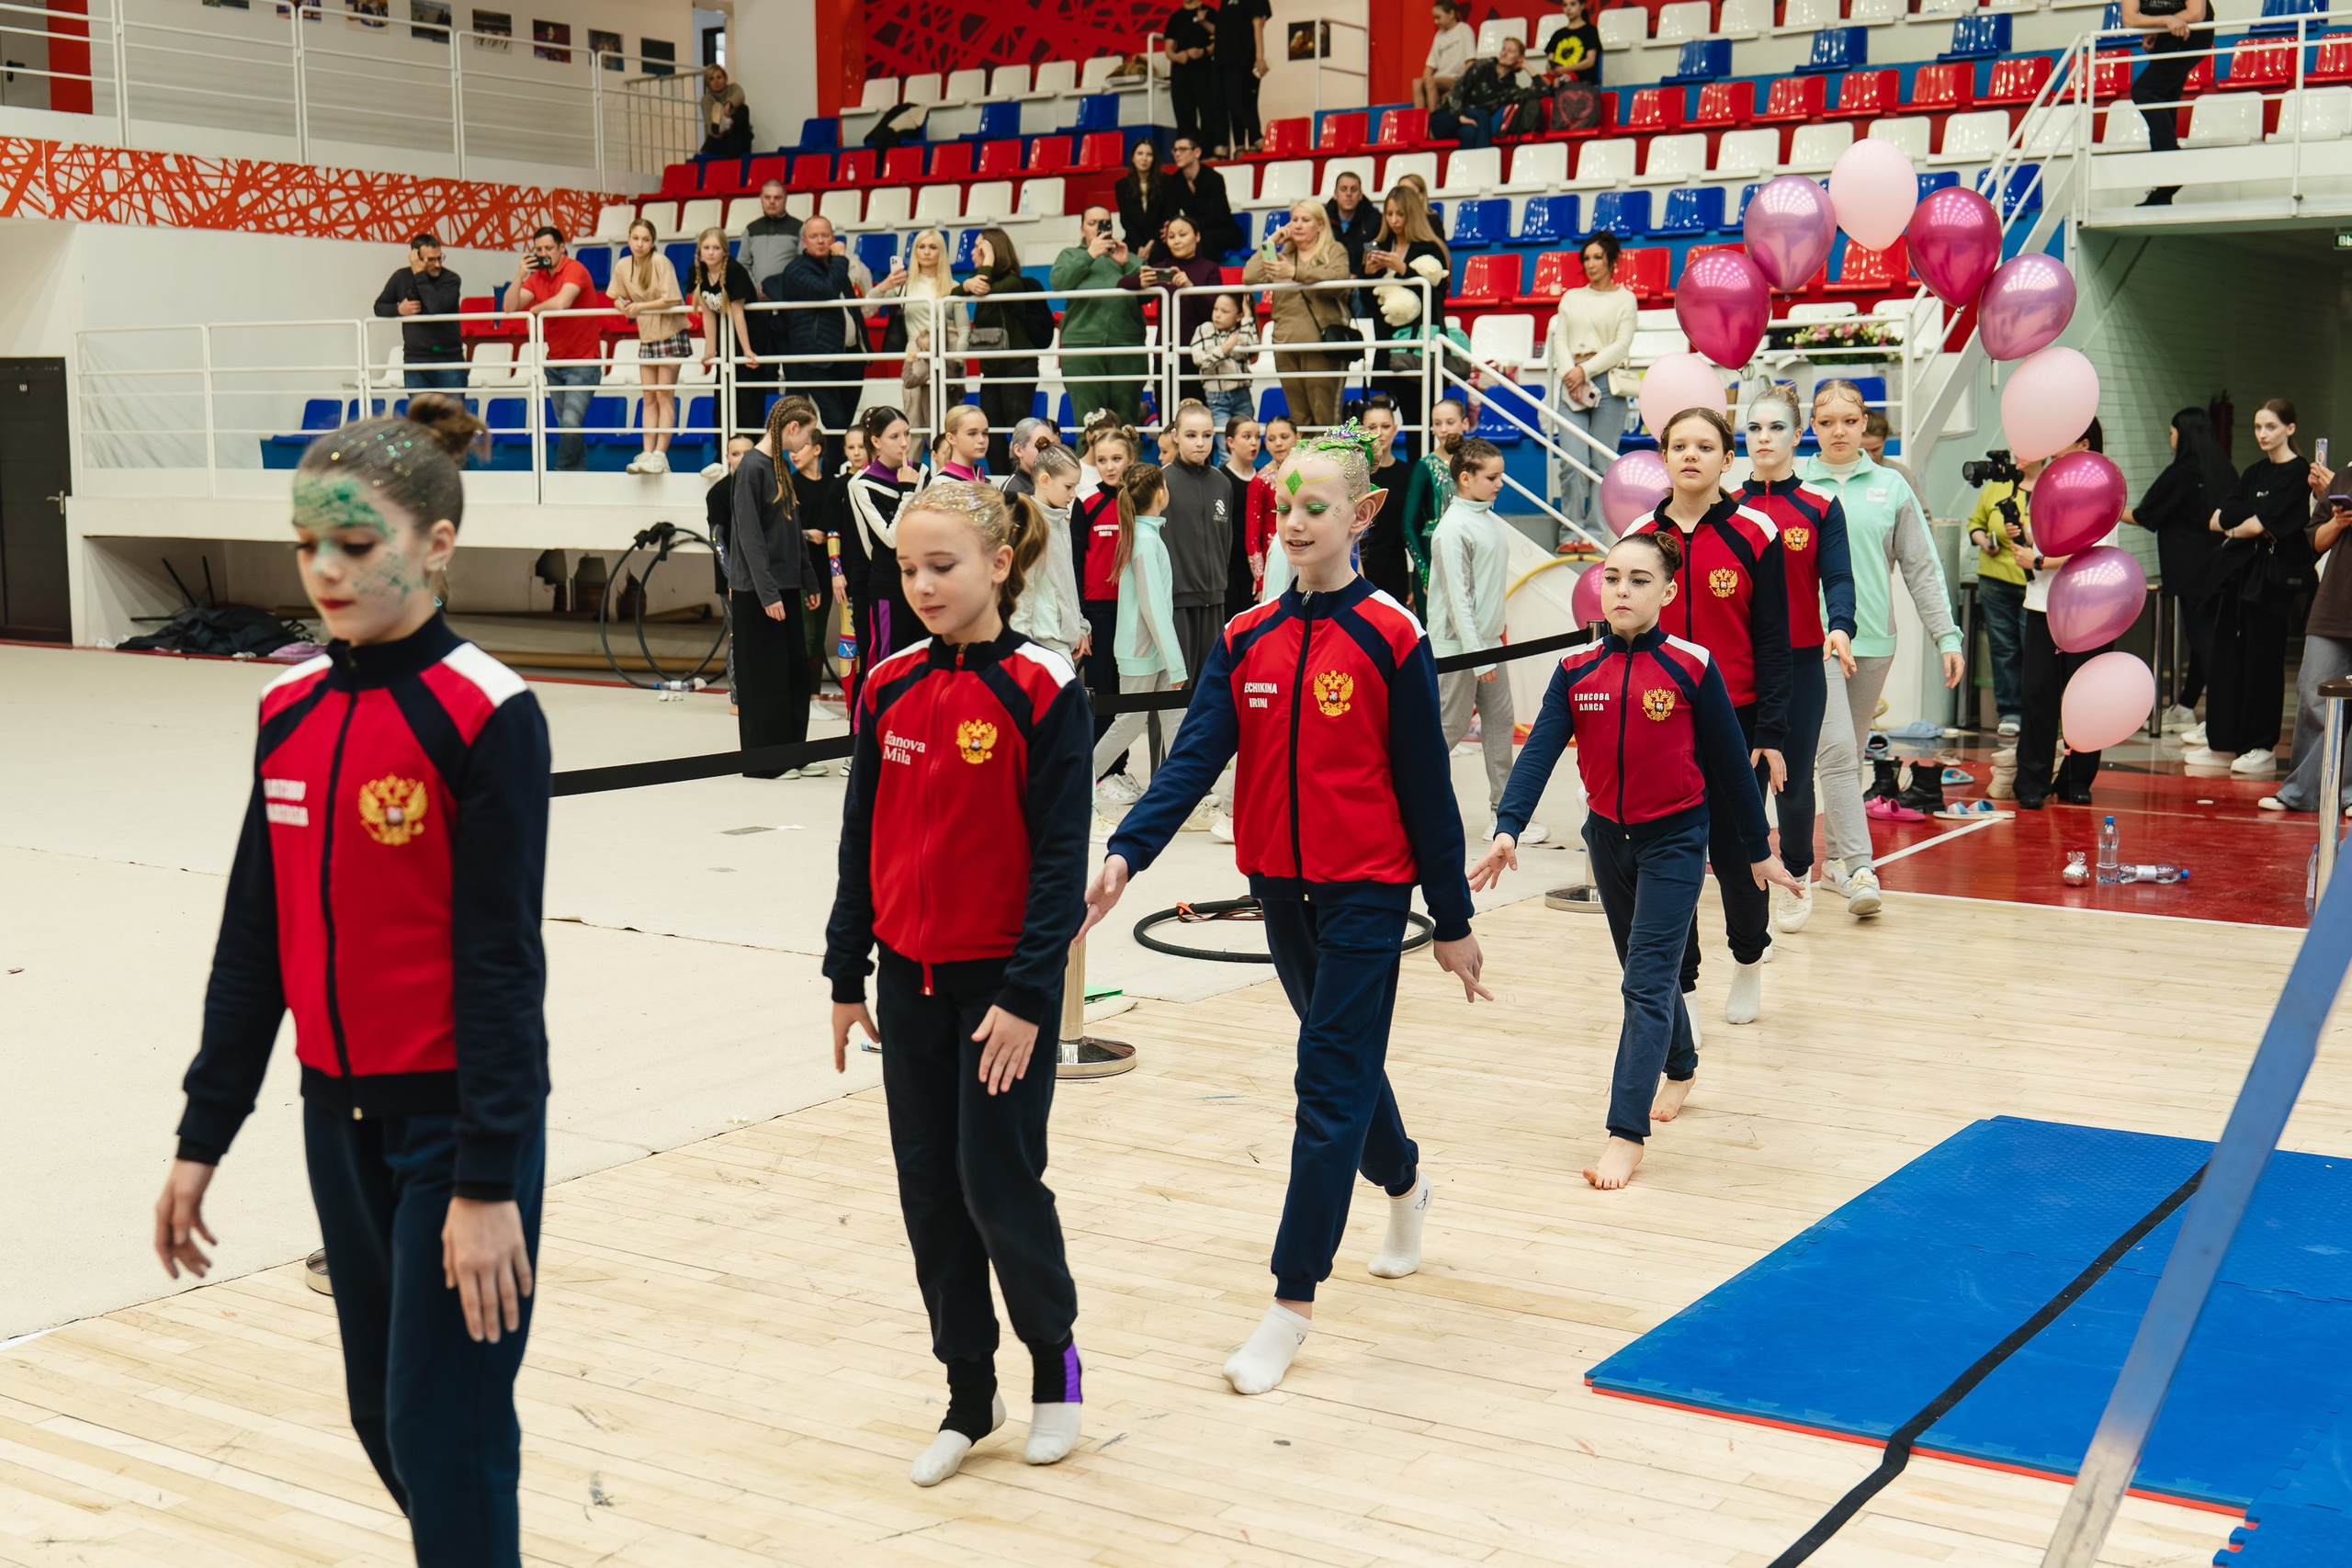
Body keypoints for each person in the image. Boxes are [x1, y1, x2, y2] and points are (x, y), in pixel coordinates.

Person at [154, 395, 551, 1564]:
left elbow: (500, 963)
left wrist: (486, 1180)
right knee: (386, 1417)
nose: (324, 569)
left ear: (437, 544)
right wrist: (203, 1133)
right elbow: (255, 940)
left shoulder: (488, 712)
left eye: (356, 542)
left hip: (456, 1129)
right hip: (339, 1121)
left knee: (447, 1431)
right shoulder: (288, 708)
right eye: (306, 544)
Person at [1082, 423, 1489, 1397]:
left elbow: (1427, 789)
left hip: (1368, 889)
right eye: (1285, 506)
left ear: (1362, 513)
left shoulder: (1392, 634)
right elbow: (1194, 756)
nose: (1297, 523)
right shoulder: (1246, 636)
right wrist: (1128, 849)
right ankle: (1405, 1181)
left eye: (1317, 507)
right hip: (1278, 887)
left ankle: (1290, 1302)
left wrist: (1452, 919)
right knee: (1341, 1059)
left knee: (1324, 1078)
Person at [821, 479, 1091, 1489]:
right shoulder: (887, 684)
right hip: (909, 985)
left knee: (997, 1185)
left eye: (943, 566)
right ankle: (968, 1394)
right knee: (930, 1192)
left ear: (1000, 565)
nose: (924, 586)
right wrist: (845, 970)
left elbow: (1059, 860)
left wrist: (1025, 996)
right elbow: (862, 834)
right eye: (908, 569)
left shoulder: (1043, 685)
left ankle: (1055, 1369)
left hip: (1001, 992)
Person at [1471, 530, 1797, 1190]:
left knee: (1644, 983)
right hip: (1606, 839)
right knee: (1647, 970)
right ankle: (1682, 1064)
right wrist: (1509, 827)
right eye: (1613, 577)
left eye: (1640, 579)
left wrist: (1757, 850)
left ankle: (1625, 1133)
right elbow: (1539, 753)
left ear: (1669, 592)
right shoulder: (1575, 670)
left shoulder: (1692, 666)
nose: (1622, 589)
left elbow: (1732, 768)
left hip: (1675, 839)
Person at [1628, 406, 1788, 1023]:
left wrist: (1771, 730)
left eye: (1704, 446)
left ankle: (1748, 960)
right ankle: (1686, 987)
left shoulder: (1756, 532)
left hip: (1738, 725)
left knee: (1740, 853)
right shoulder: (1642, 535)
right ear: (1664, 457)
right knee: (1672, 860)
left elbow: (1773, 638)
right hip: (1661, 721)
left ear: (1727, 459)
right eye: (1679, 446)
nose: (1690, 455)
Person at [1802, 378, 1965, 916]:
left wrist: (1946, 634)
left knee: (1845, 752)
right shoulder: (1797, 484)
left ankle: (1832, 864)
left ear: (1866, 424)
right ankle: (1859, 867)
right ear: (1812, 427)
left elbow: (1921, 567)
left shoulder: (1892, 487)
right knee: (1837, 752)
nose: (1840, 431)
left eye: (1850, 421)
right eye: (1827, 422)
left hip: (1875, 641)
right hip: (1813, 641)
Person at [1736, 389, 1856, 932]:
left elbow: (1839, 577)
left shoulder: (1820, 506)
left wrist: (1841, 626)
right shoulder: (1726, 507)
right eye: (1754, 428)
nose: (1764, 438)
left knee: (1794, 779)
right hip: (1739, 665)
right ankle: (1746, 876)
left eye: (1776, 427)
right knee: (1743, 778)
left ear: (1798, 434)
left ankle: (1799, 874)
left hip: (1802, 664)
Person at [2186, 397, 2312, 773]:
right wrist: (2241, 523)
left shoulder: (2298, 472)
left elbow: (2258, 524)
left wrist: (2243, 522)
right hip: (2239, 578)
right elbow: (2218, 517)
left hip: (2271, 582)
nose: (2262, 434)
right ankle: (2223, 742)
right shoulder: (2255, 472)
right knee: (2227, 657)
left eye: (2270, 426)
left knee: (2262, 662)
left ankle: (2260, 745)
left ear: (2289, 428)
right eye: (2258, 427)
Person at [1428, 434, 1540, 844]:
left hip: (1487, 645)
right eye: (1492, 477)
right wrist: (1479, 658)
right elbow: (1459, 601)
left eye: (1500, 476)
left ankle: (1503, 815)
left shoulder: (1486, 521)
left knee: (1499, 726)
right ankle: (1404, 806)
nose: (1499, 484)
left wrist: (1489, 650)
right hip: (1458, 651)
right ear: (1465, 478)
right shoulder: (1452, 529)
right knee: (1447, 730)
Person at [2012, 423, 2119, 808]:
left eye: (2064, 437)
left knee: (2085, 697)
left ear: (2084, 443)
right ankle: (2031, 781)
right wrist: (2024, 538)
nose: (2052, 445)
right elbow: (2045, 535)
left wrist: (2039, 560)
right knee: (2037, 693)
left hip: (2090, 608)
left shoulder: (2103, 483)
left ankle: (2076, 779)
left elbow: (2092, 546)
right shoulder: (2047, 481)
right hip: (2043, 603)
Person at [729, 395, 825, 777]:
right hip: (758, 592)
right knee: (765, 679)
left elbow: (791, 527)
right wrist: (767, 593)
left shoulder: (780, 466)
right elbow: (749, 536)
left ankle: (792, 753)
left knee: (793, 675)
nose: (806, 443)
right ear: (791, 428)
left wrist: (808, 578)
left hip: (786, 585)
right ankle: (766, 763)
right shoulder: (751, 468)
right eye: (806, 434)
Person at [2124, 407, 2233, 729]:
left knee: (2203, 638)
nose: (2169, 438)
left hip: (2191, 571)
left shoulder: (2182, 472)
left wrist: (2108, 509)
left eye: (2172, 433)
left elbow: (2146, 515)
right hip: (2223, 567)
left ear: (2182, 435)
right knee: (2206, 638)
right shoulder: (2225, 469)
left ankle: (2220, 720)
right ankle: (2186, 706)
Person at [1090, 463, 1190, 807]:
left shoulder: (1147, 536)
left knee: (1175, 719)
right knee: (1129, 723)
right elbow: (1153, 607)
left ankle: (1183, 794)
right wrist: (1176, 664)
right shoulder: (1145, 541)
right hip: (1141, 651)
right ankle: (1075, 781)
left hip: (1154, 651)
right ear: (1160, 493)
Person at [2264, 464, 2352, 815]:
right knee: (2312, 692)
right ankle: (2301, 791)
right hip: (2334, 603)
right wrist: (2338, 522)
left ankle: (2349, 793)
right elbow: (2316, 540)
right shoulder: (2345, 476)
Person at [1545, 232, 1636, 539]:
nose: (1591, 263)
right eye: (1587, 258)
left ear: (1612, 260)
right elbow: (1560, 340)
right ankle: (1571, 533)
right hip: (1571, 381)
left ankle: (1596, 535)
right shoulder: (1572, 297)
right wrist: (1571, 374)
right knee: (1572, 462)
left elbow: (1621, 346)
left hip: (1608, 383)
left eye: (1598, 257)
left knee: (1602, 464)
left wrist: (1583, 371)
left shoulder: (1625, 298)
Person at [1243, 200, 1351, 433]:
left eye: (1305, 220)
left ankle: (1330, 458)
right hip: (1285, 344)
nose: (1298, 225)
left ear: (1320, 225)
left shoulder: (1334, 251)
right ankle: (1306, 458)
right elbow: (1250, 276)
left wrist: (1295, 273)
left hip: (1322, 345)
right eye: (1294, 220)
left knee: (1325, 417)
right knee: (1299, 418)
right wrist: (1271, 242)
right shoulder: (1283, 255)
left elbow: (1339, 280)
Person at [954, 229, 1056, 473]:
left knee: (1017, 428)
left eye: (979, 247)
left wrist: (987, 264)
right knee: (991, 430)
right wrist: (967, 283)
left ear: (994, 250)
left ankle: (1022, 479)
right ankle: (1001, 480)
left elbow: (986, 289)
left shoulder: (1012, 283)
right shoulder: (983, 281)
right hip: (992, 369)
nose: (972, 252)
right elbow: (952, 295)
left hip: (1018, 365)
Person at [1363, 184, 1449, 455]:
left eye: (1400, 214)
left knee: (1418, 421)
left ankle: (1421, 476)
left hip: (1415, 347)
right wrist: (1368, 274)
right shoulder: (1381, 246)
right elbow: (1369, 304)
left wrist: (1402, 269)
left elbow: (1436, 296)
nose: (1394, 220)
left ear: (1412, 214)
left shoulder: (1430, 247)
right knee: (1378, 422)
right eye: (1389, 214)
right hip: (1386, 345)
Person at [1159, 400, 1237, 683]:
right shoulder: (1161, 482)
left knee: (1210, 686)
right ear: (1176, 436)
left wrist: (1218, 584)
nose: (1200, 443)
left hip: (1214, 600)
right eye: (1191, 435)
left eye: (1207, 435)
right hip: (1176, 602)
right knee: (1177, 690)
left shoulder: (1222, 483)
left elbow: (1225, 541)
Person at [846, 405, 928, 671]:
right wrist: (907, 491)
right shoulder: (861, 484)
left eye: (907, 433)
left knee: (924, 658)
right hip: (888, 581)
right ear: (876, 441)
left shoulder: (922, 472)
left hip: (923, 578)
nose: (904, 443)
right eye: (894, 436)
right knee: (889, 661)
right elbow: (890, 539)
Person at [510, 226, 596, 471]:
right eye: (538, 249)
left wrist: (535, 310)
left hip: (583, 361)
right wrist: (519, 276)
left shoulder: (575, 269)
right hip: (555, 362)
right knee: (568, 426)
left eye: (548, 248)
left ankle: (560, 472)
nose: (543, 253)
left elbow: (562, 302)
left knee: (570, 423)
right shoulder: (537, 277)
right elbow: (510, 306)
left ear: (561, 248)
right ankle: (577, 476)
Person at [1051, 209, 1148, 428]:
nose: (1099, 227)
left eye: (1105, 223)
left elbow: (1150, 284)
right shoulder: (1070, 255)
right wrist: (1089, 255)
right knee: (1088, 422)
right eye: (1092, 222)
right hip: (1081, 347)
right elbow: (1058, 282)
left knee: (1127, 424)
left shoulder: (1128, 256)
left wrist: (1126, 263)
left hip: (1128, 346)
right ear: (1082, 228)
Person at [608, 217, 689, 475]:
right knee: (649, 396)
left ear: (653, 241)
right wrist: (624, 306)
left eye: (645, 239)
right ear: (629, 239)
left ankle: (660, 454)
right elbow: (614, 296)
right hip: (647, 335)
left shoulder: (660, 262)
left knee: (665, 394)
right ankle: (647, 452)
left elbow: (672, 298)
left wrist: (639, 307)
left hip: (670, 332)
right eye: (635, 238)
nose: (639, 244)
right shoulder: (623, 265)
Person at [870, 228, 967, 441]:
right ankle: (910, 462)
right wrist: (885, 285)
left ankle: (946, 462)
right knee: (912, 418)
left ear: (941, 252)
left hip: (946, 355)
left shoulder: (954, 286)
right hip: (915, 354)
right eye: (921, 247)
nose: (926, 252)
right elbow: (867, 309)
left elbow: (964, 329)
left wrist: (957, 359)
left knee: (947, 418)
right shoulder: (903, 285)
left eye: (933, 247)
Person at [777, 216, 867, 442]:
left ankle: (836, 463)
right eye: (814, 236)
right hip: (817, 358)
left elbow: (850, 303)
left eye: (825, 235)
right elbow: (826, 291)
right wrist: (840, 259)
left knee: (845, 424)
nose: (820, 241)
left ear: (833, 238)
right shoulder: (797, 269)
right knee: (835, 420)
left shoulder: (834, 266)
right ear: (804, 241)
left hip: (850, 354)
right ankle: (829, 464)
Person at [1966, 452, 2032, 738]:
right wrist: (1985, 541)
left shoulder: (2050, 485)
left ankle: (2037, 711)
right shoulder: (1998, 484)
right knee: (2003, 648)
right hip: (1995, 578)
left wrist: (2026, 535)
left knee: (2033, 648)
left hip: (2034, 580)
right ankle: (2010, 712)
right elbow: (1975, 524)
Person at [2122, 0, 2211, 206]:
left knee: (2145, 91)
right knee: (2162, 102)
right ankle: (2163, 191)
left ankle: (2173, 163)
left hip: (2193, 35)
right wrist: (2165, 23)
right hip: (2165, 34)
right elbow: (2129, 19)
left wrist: (2161, 24)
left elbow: (2196, 14)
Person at [1133, 213, 1225, 409]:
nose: (1177, 241)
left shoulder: (1210, 268)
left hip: (1200, 356)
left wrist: (1191, 288)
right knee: (1167, 418)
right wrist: (1139, 281)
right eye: (1171, 236)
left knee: (1198, 416)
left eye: (1183, 235)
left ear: (1197, 236)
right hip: (1164, 355)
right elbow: (1124, 287)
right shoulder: (1160, 269)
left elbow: (1215, 310)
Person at [1012, 444, 1089, 663]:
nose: (1073, 494)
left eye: (1075, 487)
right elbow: (1022, 591)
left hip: (1062, 643)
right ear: (1045, 480)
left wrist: (1079, 625)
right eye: (1068, 487)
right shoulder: (1029, 525)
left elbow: (1067, 581)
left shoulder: (1061, 522)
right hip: (1040, 646)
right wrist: (1022, 649)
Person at [689, 226, 763, 433]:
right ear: (700, 250)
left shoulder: (734, 270)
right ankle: (723, 448)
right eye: (706, 248)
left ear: (725, 251)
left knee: (747, 399)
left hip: (750, 334)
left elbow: (737, 313)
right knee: (722, 397)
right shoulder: (697, 271)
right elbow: (708, 312)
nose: (711, 252)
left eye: (716, 248)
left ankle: (750, 446)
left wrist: (747, 351)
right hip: (726, 338)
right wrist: (709, 350)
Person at [373, 232, 464, 390]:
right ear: (416, 257)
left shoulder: (451, 279)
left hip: (448, 359)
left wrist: (419, 274)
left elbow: (436, 307)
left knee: (451, 407)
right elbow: (379, 307)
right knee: (418, 407)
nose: (437, 264)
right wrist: (398, 309)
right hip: (414, 360)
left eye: (440, 258)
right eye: (431, 260)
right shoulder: (401, 276)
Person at [1410, 398, 1468, 611]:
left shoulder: (1476, 465)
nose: (1443, 429)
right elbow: (1408, 526)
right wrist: (1426, 573)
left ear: (1465, 423)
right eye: (1437, 423)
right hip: (1433, 557)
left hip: (1467, 553)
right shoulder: (1425, 466)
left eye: (1450, 422)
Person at [1433, 34, 1535, 151]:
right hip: (1448, 116)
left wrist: (1528, 67)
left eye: (1510, 51)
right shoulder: (1483, 66)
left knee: (1469, 133)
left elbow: (1542, 91)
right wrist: (1460, 116)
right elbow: (1456, 91)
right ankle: (1486, 158)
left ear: (1519, 58)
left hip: (1470, 123)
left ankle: (1472, 162)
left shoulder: (1509, 88)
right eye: (1503, 49)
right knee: (1483, 114)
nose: (1504, 53)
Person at [1192, 290, 1260, 449]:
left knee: (1247, 445)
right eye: (1216, 309)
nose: (1217, 314)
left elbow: (1251, 345)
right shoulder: (1205, 329)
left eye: (1225, 311)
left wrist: (1248, 314)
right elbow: (1200, 360)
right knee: (1226, 448)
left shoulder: (1242, 330)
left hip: (1242, 394)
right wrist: (1225, 348)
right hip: (1217, 398)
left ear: (1238, 316)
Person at [1159, 135, 1245, 258]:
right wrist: (1170, 228)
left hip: (1222, 229)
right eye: (1175, 150)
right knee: (1166, 241)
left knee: (1207, 239)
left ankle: (1207, 271)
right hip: (1191, 230)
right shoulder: (1174, 181)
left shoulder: (1214, 178)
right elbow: (1172, 212)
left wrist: (1188, 229)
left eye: (1182, 149)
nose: (1177, 154)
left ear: (1197, 152)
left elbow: (1215, 216)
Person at [1245, 413, 1295, 593]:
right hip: (1276, 561)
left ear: (1298, 437)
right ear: (1266, 443)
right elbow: (1252, 538)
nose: (1278, 444)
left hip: (1305, 556)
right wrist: (1260, 580)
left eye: (1284, 437)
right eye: (1272, 439)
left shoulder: (1307, 474)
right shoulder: (1260, 482)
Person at [1215, 0, 1271, 153]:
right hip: (1223, 58)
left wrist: (1259, 57)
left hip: (1243, 57)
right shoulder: (1225, 2)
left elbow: (1258, 24)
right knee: (1229, 103)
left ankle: (1256, 137)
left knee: (1240, 102)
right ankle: (1239, 146)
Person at [1164, 0, 1220, 147]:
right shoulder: (1175, 17)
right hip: (1181, 71)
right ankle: (1186, 150)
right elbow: (1169, 49)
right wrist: (1177, 57)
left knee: (1208, 113)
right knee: (1184, 116)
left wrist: (1203, 51)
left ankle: (1210, 150)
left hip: (1204, 69)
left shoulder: (1209, 12)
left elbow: (1222, 39)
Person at [1415, 0, 1476, 112]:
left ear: (1451, 14)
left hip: (1456, 79)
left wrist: (1460, 87)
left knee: (1430, 81)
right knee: (1416, 83)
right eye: (1434, 18)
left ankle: (1434, 118)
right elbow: (1429, 66)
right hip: (1439, 78)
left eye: (1438, 17)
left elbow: (1470, 62)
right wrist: (1425, 81)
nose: (1435, 22)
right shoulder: (1439, 35)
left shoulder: (1464, 30)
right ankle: (1419, 119)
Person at [1325, 170, 1381, 288]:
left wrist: (1358, 275)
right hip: (1330, 281)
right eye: (1343, 189)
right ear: (1335, 194)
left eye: (1354, 189)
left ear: (1360, 195)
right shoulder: (1323, 220)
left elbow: (1374, 250)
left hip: (1363, 283)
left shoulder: (1374, 220)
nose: (1349, 194)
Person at [1114, 140, 1167, 254]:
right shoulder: (1122, 186)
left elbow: (1167, 216)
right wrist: (1140, 246)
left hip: (1159, 239)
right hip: (1134, 240)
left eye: (1149, 154)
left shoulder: (1166, 182)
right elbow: (1125, 220)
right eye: (1140, 153)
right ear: (1133, 158)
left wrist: (1152, 243)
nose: (1144, 158)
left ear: (1154, 159)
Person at [1860, 409, 1919, 497]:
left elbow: (1919, 506)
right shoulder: (1843, 471)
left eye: (1875, 450)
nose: (1869, 456)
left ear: (1884, 442)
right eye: (1863, 451)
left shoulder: (1901, 473)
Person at [697, 62, 751, 159]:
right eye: (711, 79)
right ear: (708, 83)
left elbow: (740, 95)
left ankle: (727, 123)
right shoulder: (706, 100)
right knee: (731, 140)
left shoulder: (733, 88)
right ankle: (725, 125)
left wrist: (729, 104)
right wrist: (721, 124)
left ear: (725, 78)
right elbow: (712, 127)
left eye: (719, 77)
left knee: (744, 109)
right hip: (719, 139)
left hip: (736, 134)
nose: (716, 81)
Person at [1543, 0, 1602, 84]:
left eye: (1573, 4)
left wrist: (1566, 69)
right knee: (1540, 82)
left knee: (1560, 81)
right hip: (1558, 74)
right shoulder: (1558, 34)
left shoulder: (1590, 30)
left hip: (1581, 77)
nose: (1568, 8)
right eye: (1565, 5)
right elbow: (1550, 60)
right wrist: (1551, 69)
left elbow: (1590, 61)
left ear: (1582, 6)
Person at [1001, 416, 1057, 499]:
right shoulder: (1011, 491)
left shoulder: (1052, 482)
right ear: (1019, 450)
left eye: (1052, 447)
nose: (1049, 452)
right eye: (1041, 446)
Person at [936, 403, 991, 484]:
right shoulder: (941, 483)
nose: (981, 440)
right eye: (972, 433)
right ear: (951, 438)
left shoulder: (986, 482)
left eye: (985, 433)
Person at [1222, 412, 1261, 522]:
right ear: (1231, 442)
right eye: (1247, 437)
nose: (1254, 442)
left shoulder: (1263, 477)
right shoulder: (1221, 478)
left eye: (1257, 437)